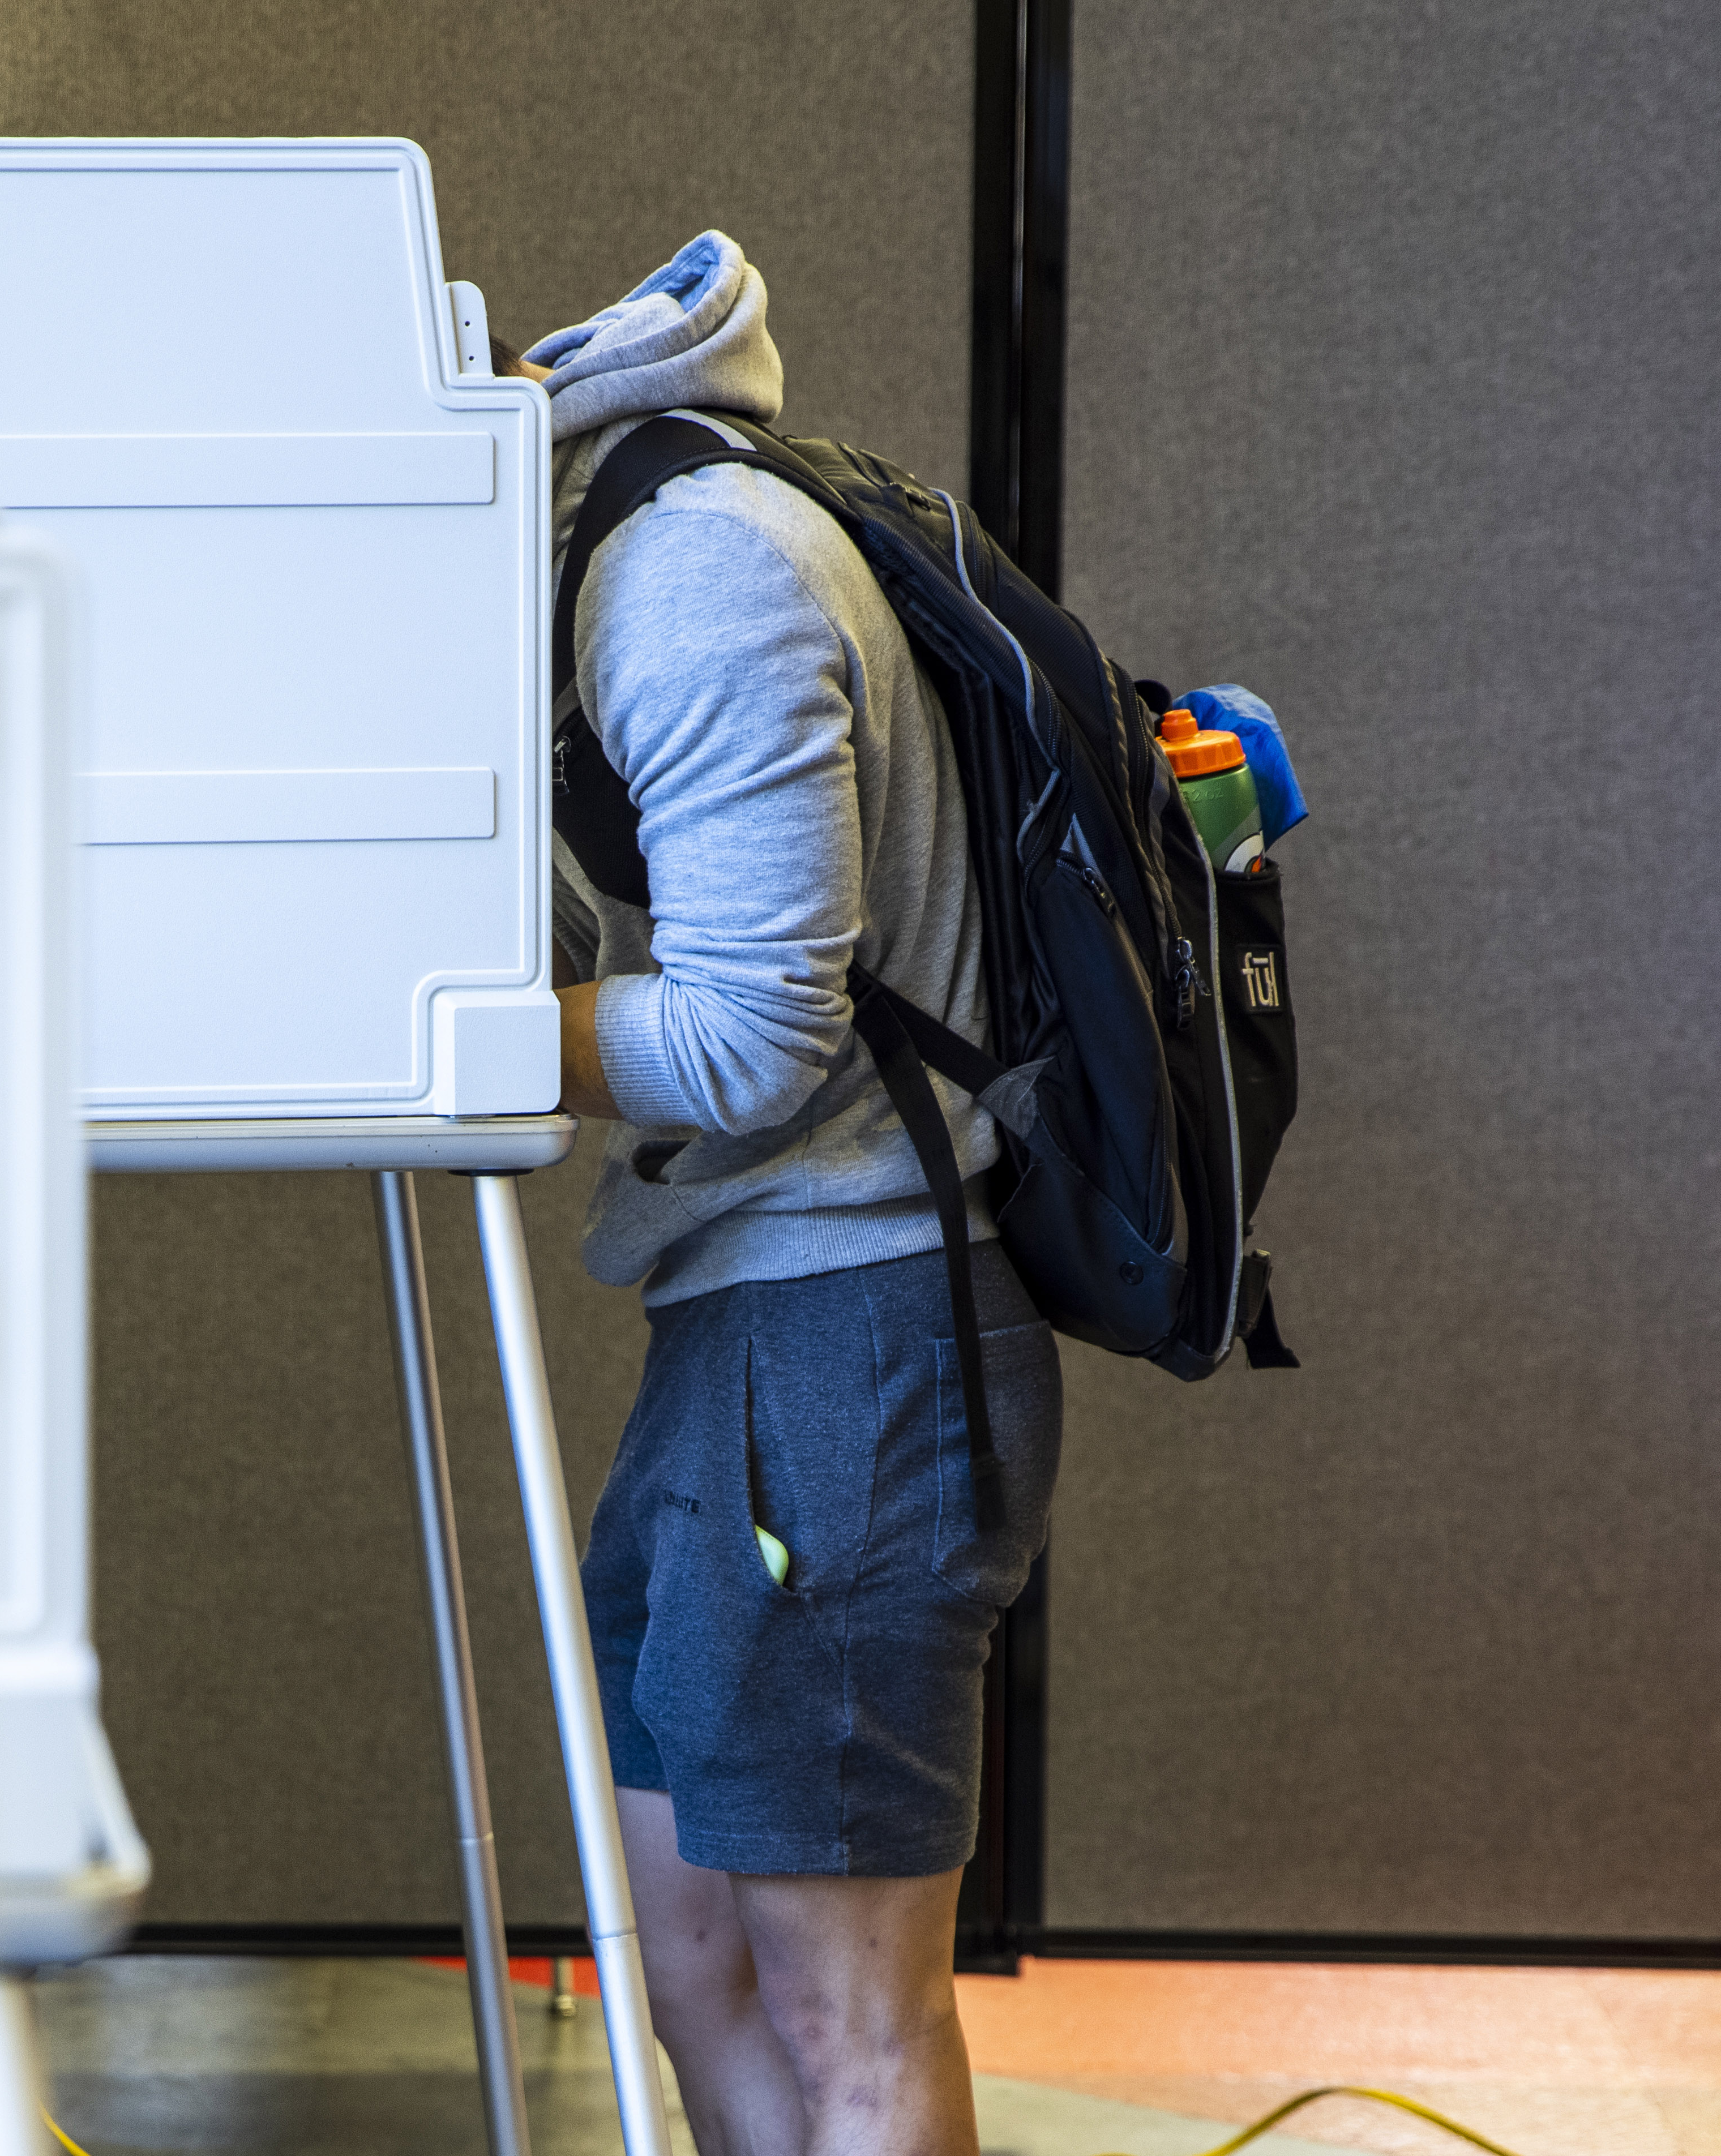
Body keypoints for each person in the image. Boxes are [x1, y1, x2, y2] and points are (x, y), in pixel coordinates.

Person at [503, 232, 1064, 2156]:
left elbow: (751, 1031)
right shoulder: (639, 559)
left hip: (852, 1334)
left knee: (850, 2020)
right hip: (743, 1323)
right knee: (703, 1974)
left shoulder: (697, 578)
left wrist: (463, 1029)